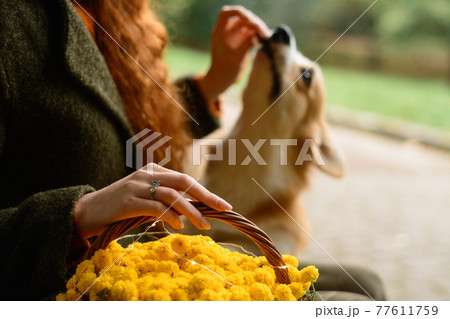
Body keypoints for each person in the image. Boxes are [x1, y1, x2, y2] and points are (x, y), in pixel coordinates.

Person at [0, 0, 385, 301]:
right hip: (72, 278)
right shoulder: (13, 24)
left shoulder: (113, 12)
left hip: (152, 248)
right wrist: (79, 214)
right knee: (364, 304)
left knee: (368, 284)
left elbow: (118, 124)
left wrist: (211, 85)